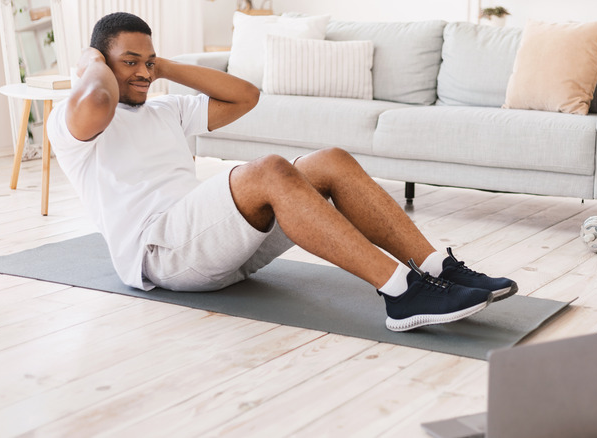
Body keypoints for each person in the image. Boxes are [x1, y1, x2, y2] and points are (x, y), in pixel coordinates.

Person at [48, 12, 518, 332]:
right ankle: (402, 292)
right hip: (161, 253)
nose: (143, 74)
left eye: (148, 63)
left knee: (330, 160)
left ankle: (438, 269)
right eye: (129, 62)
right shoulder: (74, 122)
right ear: (100, 62)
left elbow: (246, 96)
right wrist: (90, 61)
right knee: (270, 169)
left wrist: (160, 65)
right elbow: (97, 98)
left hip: (213, 247)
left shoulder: (165, 107)